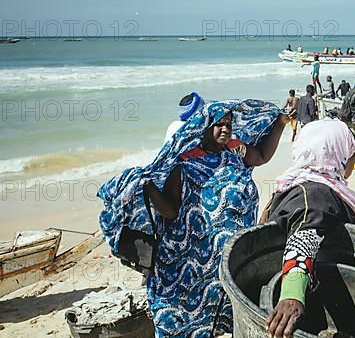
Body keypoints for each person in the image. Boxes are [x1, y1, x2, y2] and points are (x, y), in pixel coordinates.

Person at [98, 100, 288, 337]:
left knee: (225, 313)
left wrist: (280, 124)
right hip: (192, 259)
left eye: (228, 124)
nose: (225, 129)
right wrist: (148, 186)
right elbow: (171, 211)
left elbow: (260, 156)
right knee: (185, 319)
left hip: (228, 258)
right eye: (218, 124)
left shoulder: (235, 150)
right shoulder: (184, 162)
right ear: (204, 126)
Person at [264, 119, 355, 338]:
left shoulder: (289, 187)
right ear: (338, 154)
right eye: (351, 152)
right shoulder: (315, 192)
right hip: (312, 310)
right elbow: (307, 229)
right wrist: (292, 295)